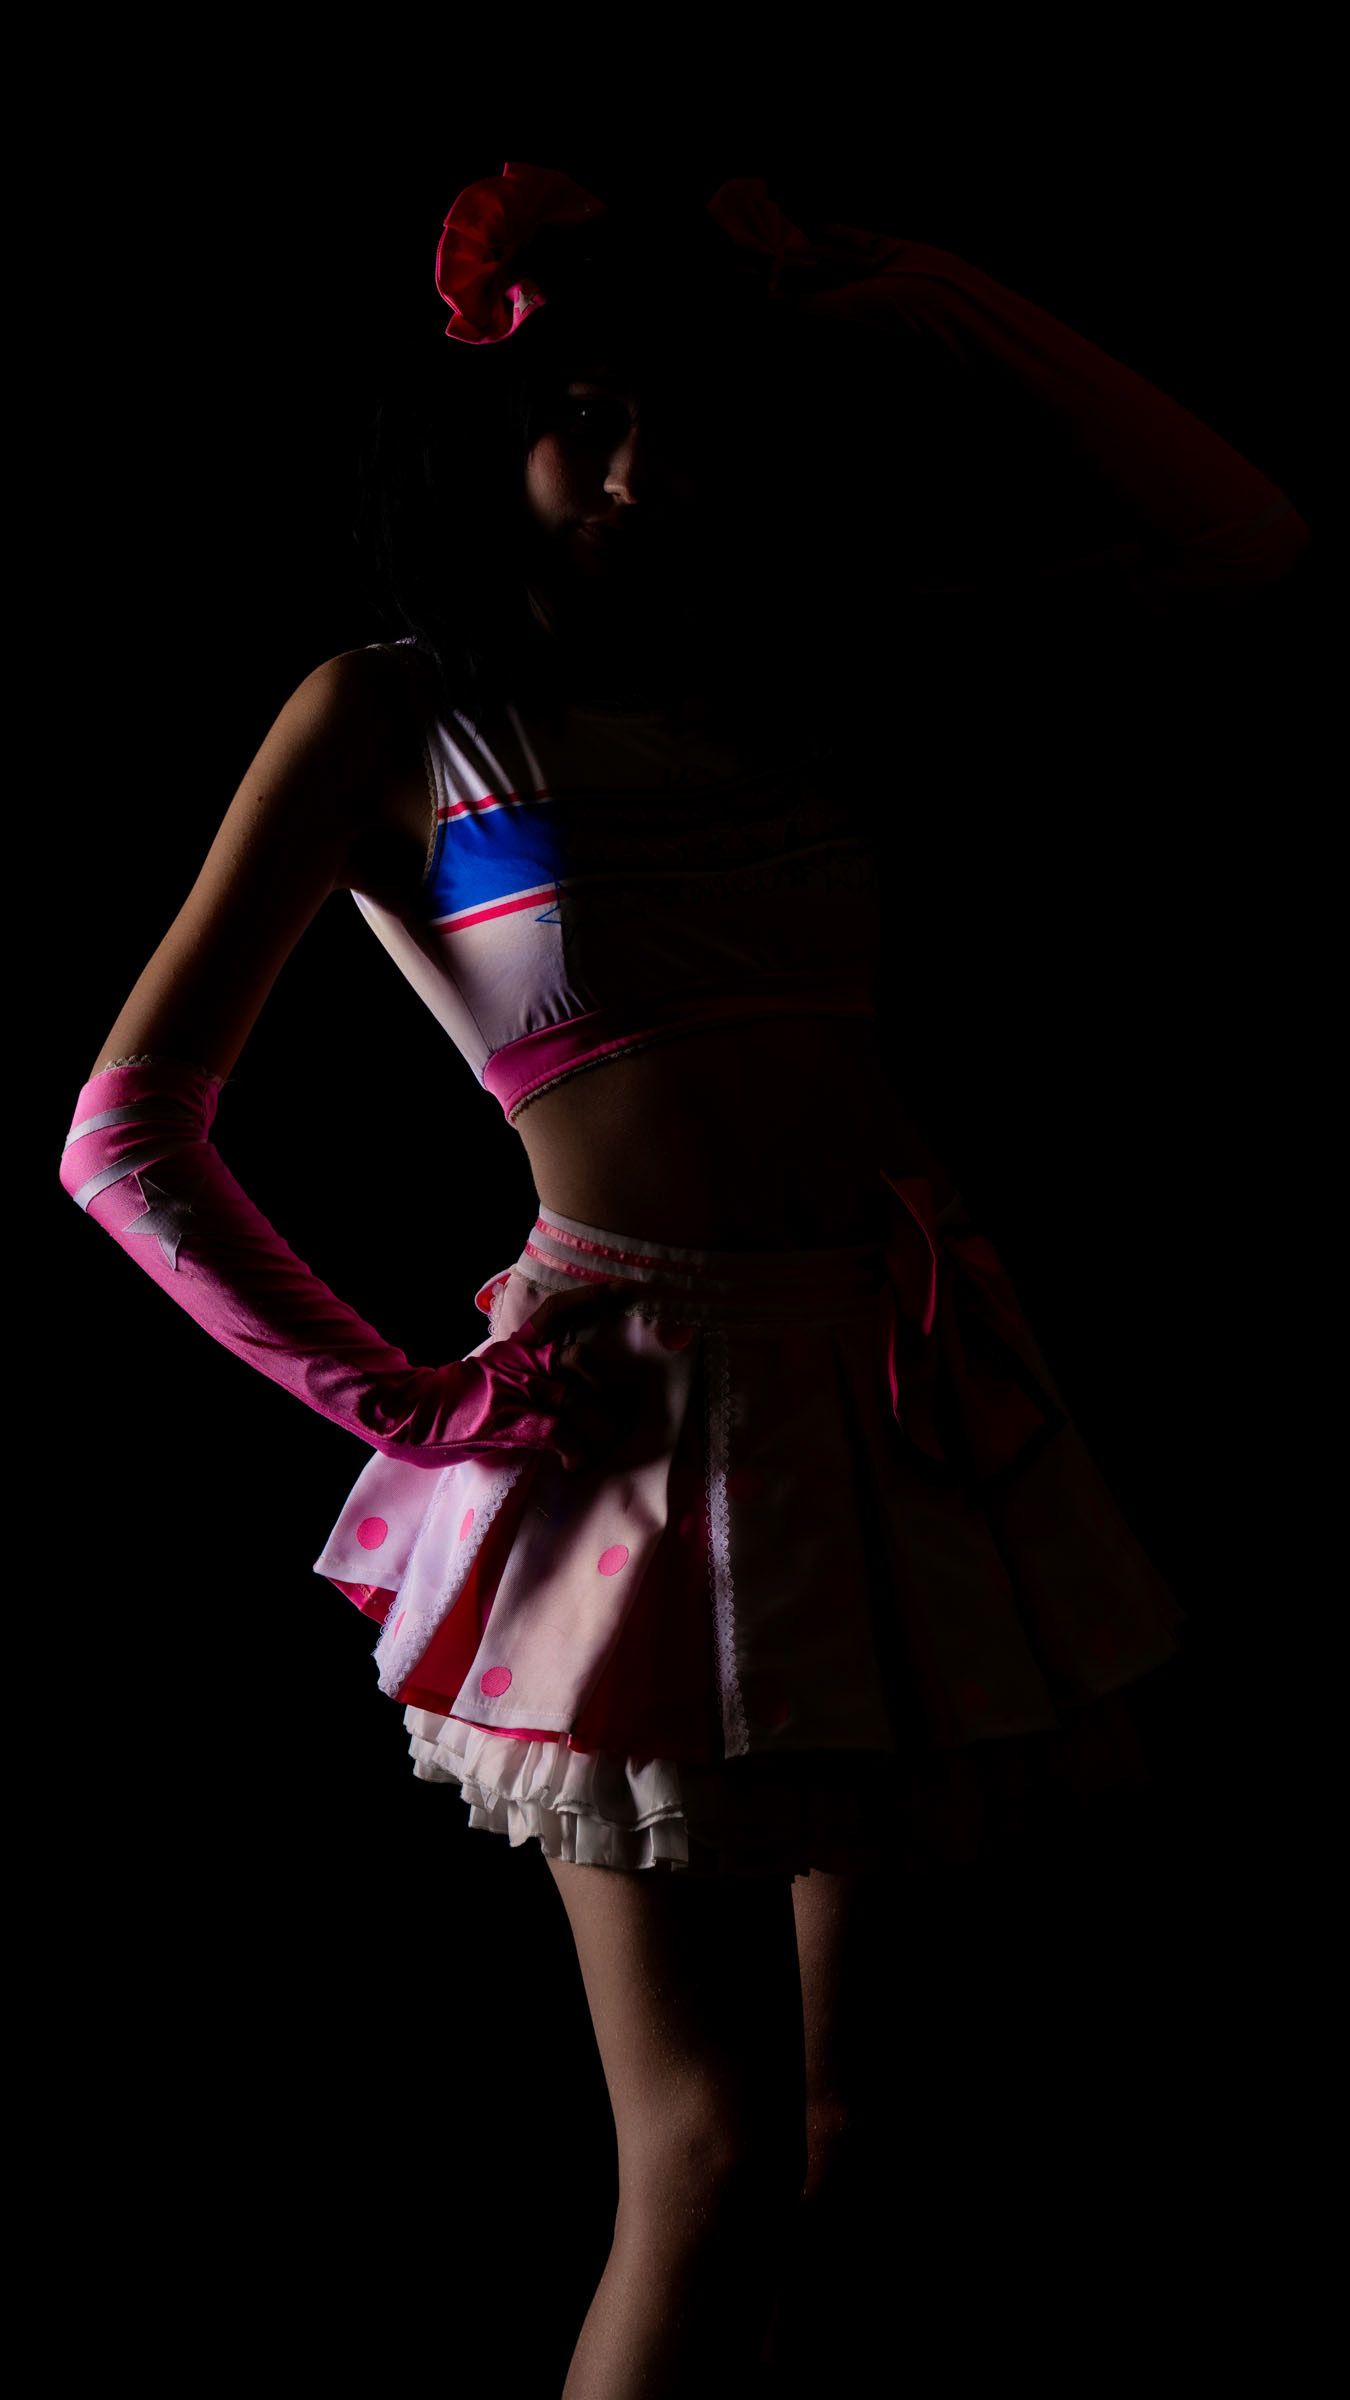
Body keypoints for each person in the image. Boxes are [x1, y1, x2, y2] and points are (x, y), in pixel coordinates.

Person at [58, 163, 1308, 2397]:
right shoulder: (387, 712)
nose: (640, 471)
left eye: (687, 419)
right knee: (712, 2156)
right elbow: (124, 1138)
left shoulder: (822, 669)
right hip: (633, 1426)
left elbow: (1240, 546)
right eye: (588, 415)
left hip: (911, 1396)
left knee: (872, 2135)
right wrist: (391, 1399)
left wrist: (921, 288)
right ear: (489, 430)